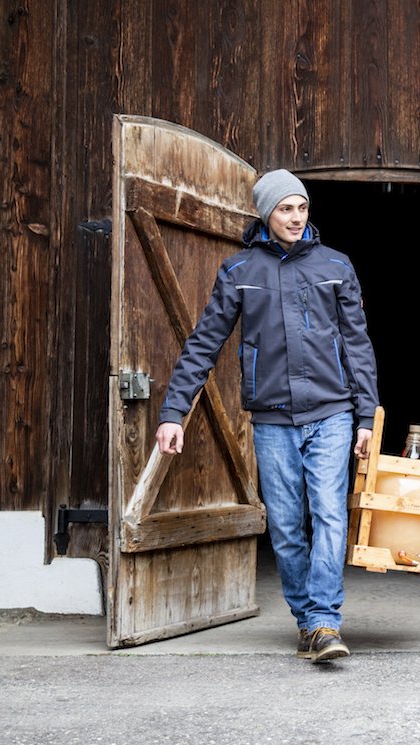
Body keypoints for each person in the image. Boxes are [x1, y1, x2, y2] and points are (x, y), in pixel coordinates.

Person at [155, 169, 378, 663]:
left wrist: (366, 416)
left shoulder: (336, 265)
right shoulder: (239, 271)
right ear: (265, 214)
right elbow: (204, 344)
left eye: (302, 207)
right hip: (273, 419)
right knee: (285, 526)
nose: (296, 217)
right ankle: (306, 619)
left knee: (329, 514)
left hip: (332, 413)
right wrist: (174, 411)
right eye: (285, 208)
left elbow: (358, 346)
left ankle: (324, 620)